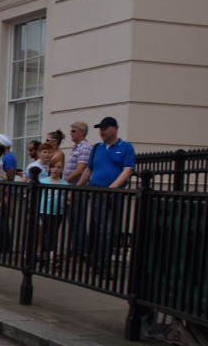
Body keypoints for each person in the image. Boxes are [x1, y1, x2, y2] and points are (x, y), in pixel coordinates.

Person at [77, 116, 135, 276]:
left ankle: (98, 259)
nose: (101, 132)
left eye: (104, 128)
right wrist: (76, 188)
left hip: (114, 194)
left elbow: (127, 170)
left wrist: (112, 188)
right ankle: (101, 264)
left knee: (110, 230)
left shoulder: (125, 147)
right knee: (104, 229)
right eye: (100, 129)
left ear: (114, 128)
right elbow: (88, 170)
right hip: (97, 192)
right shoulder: (97, 148)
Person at [38, 152, 68, 271]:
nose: (56, 169)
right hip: (45, 211)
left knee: (53, 233)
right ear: (50, 168)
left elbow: (65, 198)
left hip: (58, 212)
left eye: (59, 167)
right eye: (54, 167)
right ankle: (50, 256)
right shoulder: (44, 181)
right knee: (46, 233)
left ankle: (48, 256)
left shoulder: (64, 183)